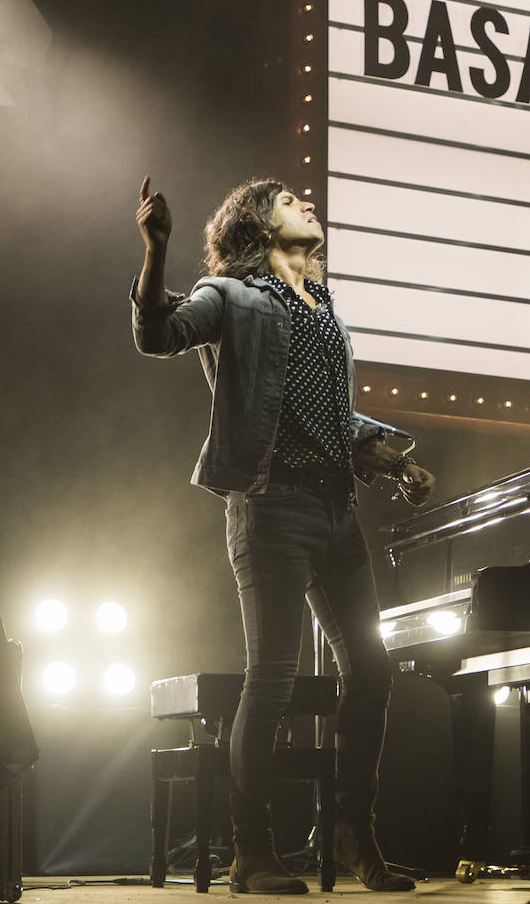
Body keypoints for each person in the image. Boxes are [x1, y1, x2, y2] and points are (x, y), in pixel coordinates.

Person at [132, 175, 436, 894]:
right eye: (288, 199)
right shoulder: (231, 296)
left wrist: (396, 462)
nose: (307, 200)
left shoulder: (322, 307)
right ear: (259, 228)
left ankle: (348, 833)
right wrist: (157, 249)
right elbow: (156, 334)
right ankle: (252, 853)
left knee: (372, 669)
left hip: (335, 511)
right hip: (271, 508)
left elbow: (330, 421)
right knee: (271, 679)